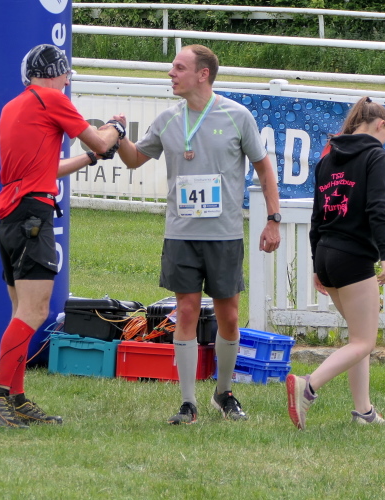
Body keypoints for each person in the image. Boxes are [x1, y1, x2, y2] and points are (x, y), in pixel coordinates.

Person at [115, 44, 281, 424]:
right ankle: (188, 402)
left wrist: (273, 219)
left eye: (179, 67)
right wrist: (120, 136)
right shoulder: (167, 119)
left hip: (224, 234)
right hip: (181, 233)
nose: (170, 74)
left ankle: (223, 393)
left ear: (202, 74)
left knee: (229, 316)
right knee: (186, 310)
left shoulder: (237, 116)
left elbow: (264, 169)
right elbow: (134, 159)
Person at [0, 44, 124, 428]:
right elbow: (100, 140)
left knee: (21, 311)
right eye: (66, 75)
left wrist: (89, 159)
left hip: (9, 216)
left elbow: (46, 168)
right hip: (32, 216)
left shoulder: (13, 107)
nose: (67, 82)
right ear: (57, 72)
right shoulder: (51, 99)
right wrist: (116, 127)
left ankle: (17, 398)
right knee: (35, 311)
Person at [286, 97, 385, 430]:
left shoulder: (327, 158)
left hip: (326, 253)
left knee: (357, 339)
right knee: (364, 342)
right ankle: (308, 386)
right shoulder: (375, 156)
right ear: (380, 125)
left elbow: (317, 216)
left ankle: (364, 412)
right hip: (353, 256)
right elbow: (378, 209)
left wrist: (316, 263)